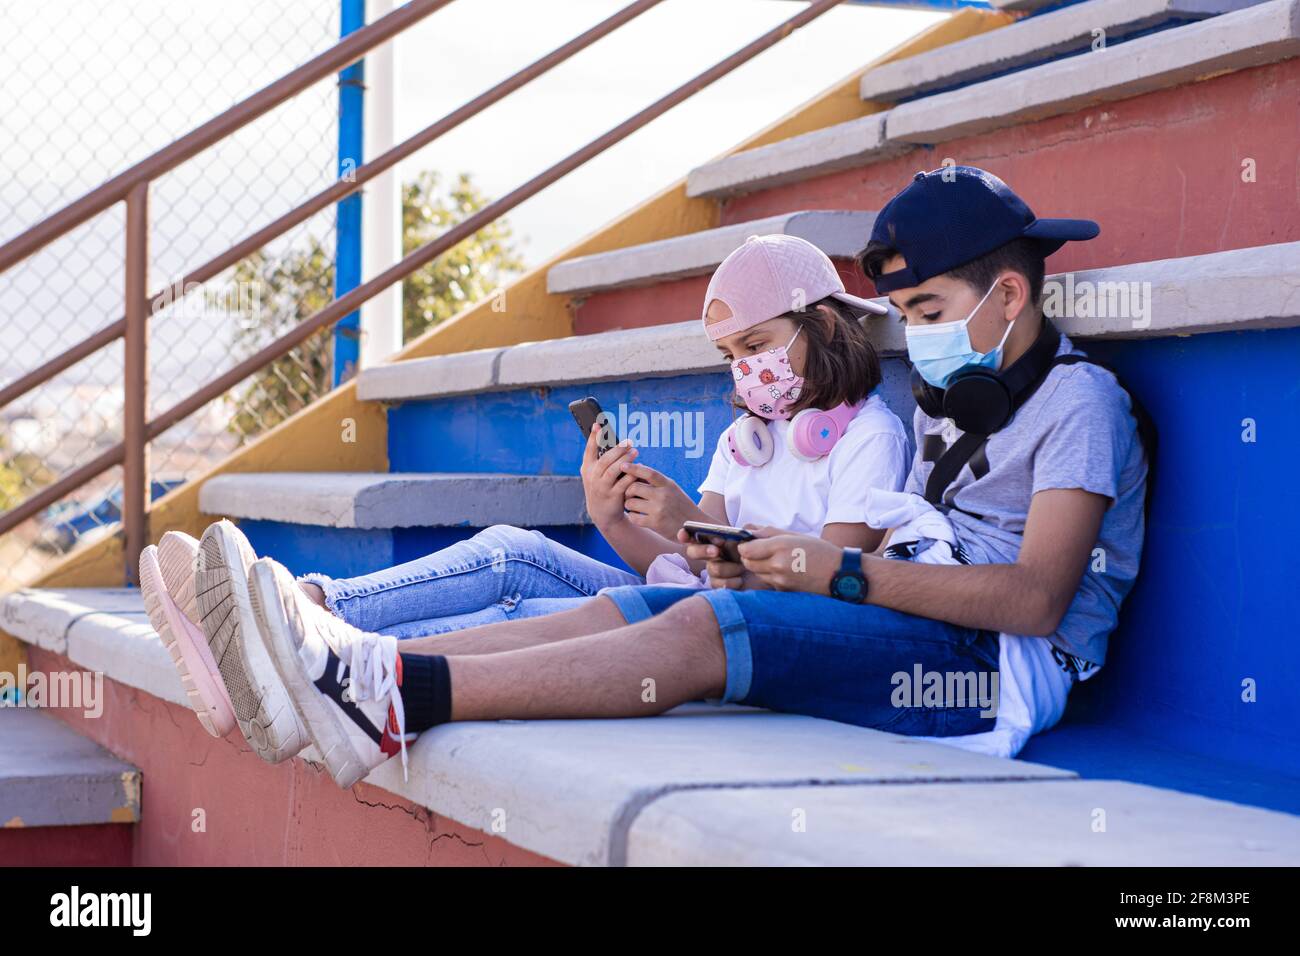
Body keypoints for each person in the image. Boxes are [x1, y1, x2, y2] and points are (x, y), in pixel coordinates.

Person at [141, 234, 912, 766]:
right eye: (731, 357)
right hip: (679, 606)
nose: (746, 371)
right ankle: (294, 613)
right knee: (513, 549)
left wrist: (691, 527)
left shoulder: (870, 437)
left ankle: (284, 651)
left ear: (824, 324)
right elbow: (682, 571)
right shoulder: (747, 438)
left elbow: (831, 579)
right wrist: (614, 515)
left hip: (748, 637)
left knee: (516, 615)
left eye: (757, 346)